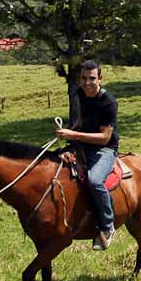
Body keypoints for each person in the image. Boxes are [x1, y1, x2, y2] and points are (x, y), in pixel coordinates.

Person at [55, 60, 118, 251]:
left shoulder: (108, 102)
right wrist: (69, 137)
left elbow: (105, 138)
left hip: (104, 149)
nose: (87, 82)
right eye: (83, 78)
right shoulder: (80, 93)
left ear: (100, 78)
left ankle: (107, 226)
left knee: (94, 180)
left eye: (91, 78)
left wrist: (75, 135)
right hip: (81, 145)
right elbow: (81, 121)